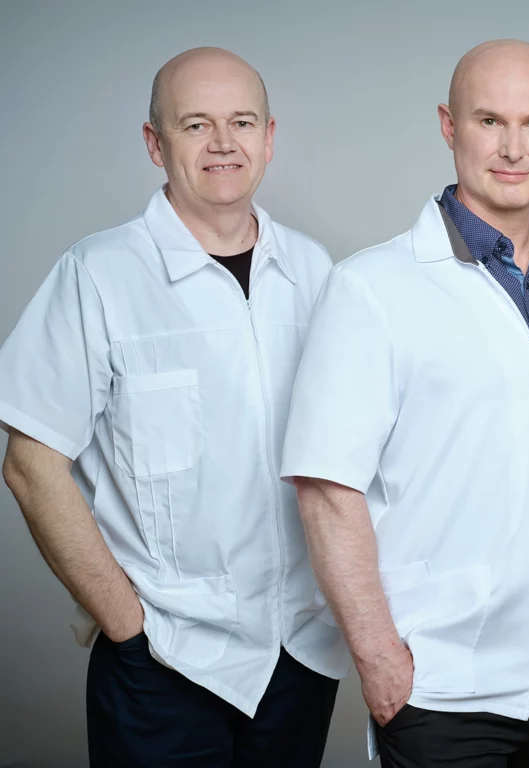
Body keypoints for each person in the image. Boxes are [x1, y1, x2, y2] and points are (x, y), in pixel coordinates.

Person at [281, 39, 529, 768]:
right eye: (490, 121)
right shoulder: (372, 288)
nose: (514, 147)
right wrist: (379, 655)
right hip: (439, 685)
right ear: (449, 125)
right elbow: (326, 488)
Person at [0, 47, 347, 766]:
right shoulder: (98, 275)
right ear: (155, 143)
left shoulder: (315, 273)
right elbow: (31, 465)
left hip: (301, 654)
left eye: (241, 122)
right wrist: (127, 627)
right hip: (165, 660)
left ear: (269, 137)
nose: (223, 143)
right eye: (195, 124)